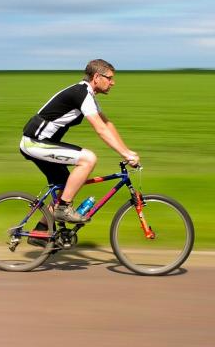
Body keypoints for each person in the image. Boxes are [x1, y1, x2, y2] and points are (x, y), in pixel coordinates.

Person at [20, 59, 140, 227]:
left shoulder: (87, 95)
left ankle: (41, 232)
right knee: (88, 159)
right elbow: (100, 129)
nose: (113, 82)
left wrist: (128, 150)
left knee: (67, 186)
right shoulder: (82, 94)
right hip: (34, 143)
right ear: (97, 77)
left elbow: (107, 124)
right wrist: (125, 154)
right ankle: (63, 208)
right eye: (110, 78)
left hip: (42, 143)